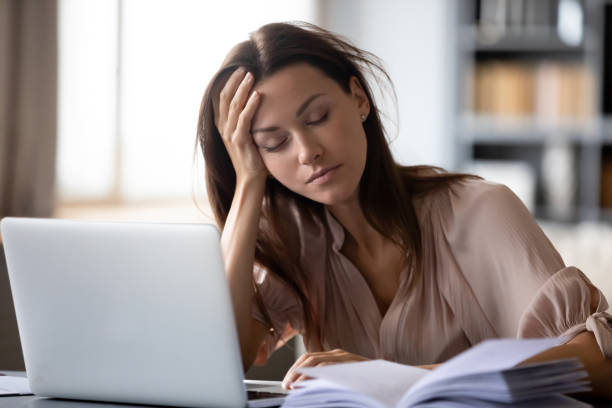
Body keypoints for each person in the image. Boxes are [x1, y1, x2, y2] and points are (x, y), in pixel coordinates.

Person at [196, 22, 612, 398]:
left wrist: (399, 377)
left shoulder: (479, 212)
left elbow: (598, 362)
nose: (308, 152)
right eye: (273, 144)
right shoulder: (298, 239)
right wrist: (249, 184)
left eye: (318, 117)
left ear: (359, 99)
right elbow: (223, 360)